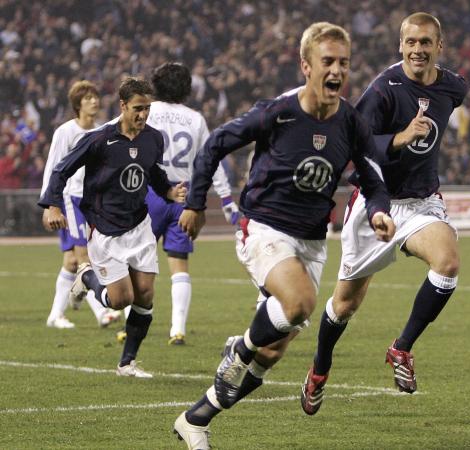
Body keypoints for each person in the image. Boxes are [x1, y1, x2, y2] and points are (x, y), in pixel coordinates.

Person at [171, 22, 394, 448]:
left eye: (343, 63)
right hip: (264, 228)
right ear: (306, 65)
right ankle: (237, 349)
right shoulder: (278, 111)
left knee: (270, 354)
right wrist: (195, 204)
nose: (337, 71)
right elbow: (215, 143)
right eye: (327, 61)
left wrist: (380, 210)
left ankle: (195, 419)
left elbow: (373, 178)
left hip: (310, 243)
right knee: (300, 304)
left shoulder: (350, 122)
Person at [300, 12, 469, 416]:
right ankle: (320, 369)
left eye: (426, 42)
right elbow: (354, 147)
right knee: (344, 305)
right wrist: (400, 138)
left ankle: (401, 348)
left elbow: (450, 107)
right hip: (376, 202)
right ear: (400, 45)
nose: (418, 50)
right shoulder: (384, 89)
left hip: (422, 202)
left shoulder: (453, 87)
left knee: (447, 263)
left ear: (439, 47)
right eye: (411, 42)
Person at [39, 77, 187, 378]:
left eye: (147, 109)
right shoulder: (99, 139)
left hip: (139, 225)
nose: (143, 115)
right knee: (121, 300)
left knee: (145, 293)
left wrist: (168, 192)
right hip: (106, 230)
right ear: (122, 106)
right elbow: (61, 169)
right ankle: (87, 278)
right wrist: (52, 206)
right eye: (137, 108)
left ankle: (127, 363)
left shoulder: (153, 139)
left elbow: (153, 171)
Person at [145, 62, 240, 346]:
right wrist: (226, 199)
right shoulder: (196, 119)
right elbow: (211, 161)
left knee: (137, 261)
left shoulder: (147, 112)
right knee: (179, 263)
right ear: (186, 89)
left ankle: (130, 324)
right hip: (183, 198)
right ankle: (177, 329)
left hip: (151, 192)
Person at [39, 80, 121, 329]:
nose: (94, 101)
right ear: (77, 105)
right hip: (71, 199)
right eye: (87, 98)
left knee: (72, 261)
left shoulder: (102, 130)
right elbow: (53, 166)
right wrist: (48, 205)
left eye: (95, 97)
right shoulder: (65, 132)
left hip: (94, 201)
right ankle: (101, 313)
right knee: (85, 257)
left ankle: (55, 315)